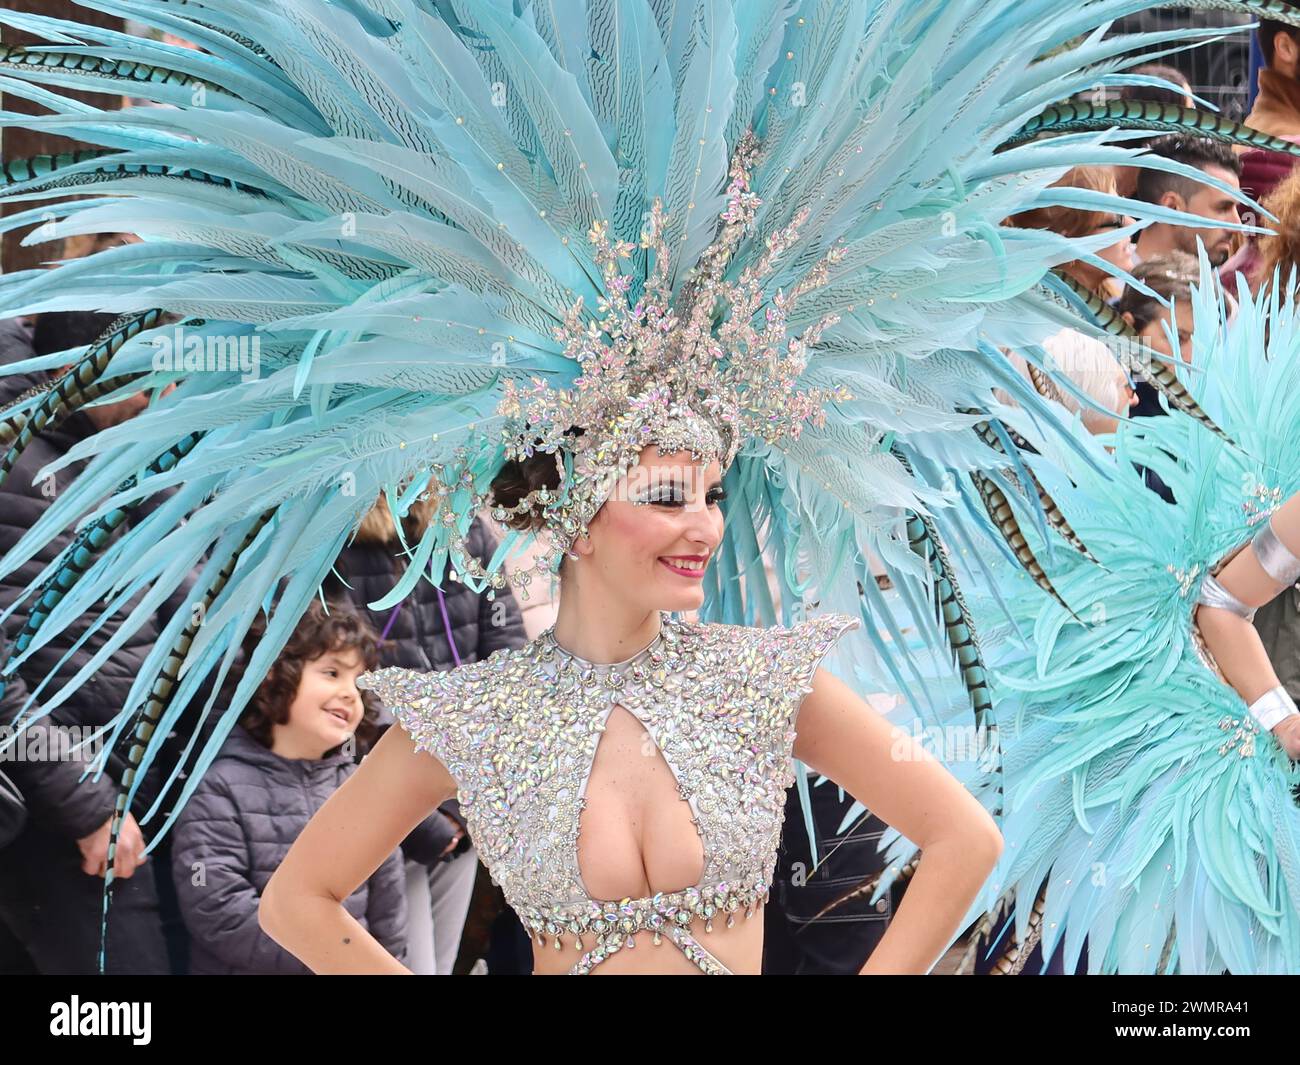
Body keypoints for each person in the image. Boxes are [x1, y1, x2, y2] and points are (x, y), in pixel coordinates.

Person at [4, 0, 1299, 977]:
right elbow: (300, 904)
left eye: (715, 492)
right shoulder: (476, 714)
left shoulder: (767, 679)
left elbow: (962, 840)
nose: (705, 525)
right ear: (569, 511)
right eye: (671, 492)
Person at [325, 496, 528, 974]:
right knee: (405, 959)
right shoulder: (335, 538)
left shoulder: (463, 525)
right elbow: (339, 684)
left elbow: (509, 659)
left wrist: (478, 793)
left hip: (468, 798)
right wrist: (425, 818)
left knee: (441, 960)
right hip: (385, 808)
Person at [171, 601, 407, 974]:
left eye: (359, 683)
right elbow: (217, 911)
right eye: (332, 672)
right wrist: (334, 960)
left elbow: (389, 909)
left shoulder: (360, 787)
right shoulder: (220, 788)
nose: (350, 693)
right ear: (272, 674)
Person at [1130, 136, 1243, 268]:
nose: (1237, 225)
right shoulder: (1112, 286)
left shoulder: (1217, 286)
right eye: (1223, 208)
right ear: (1171, 208)